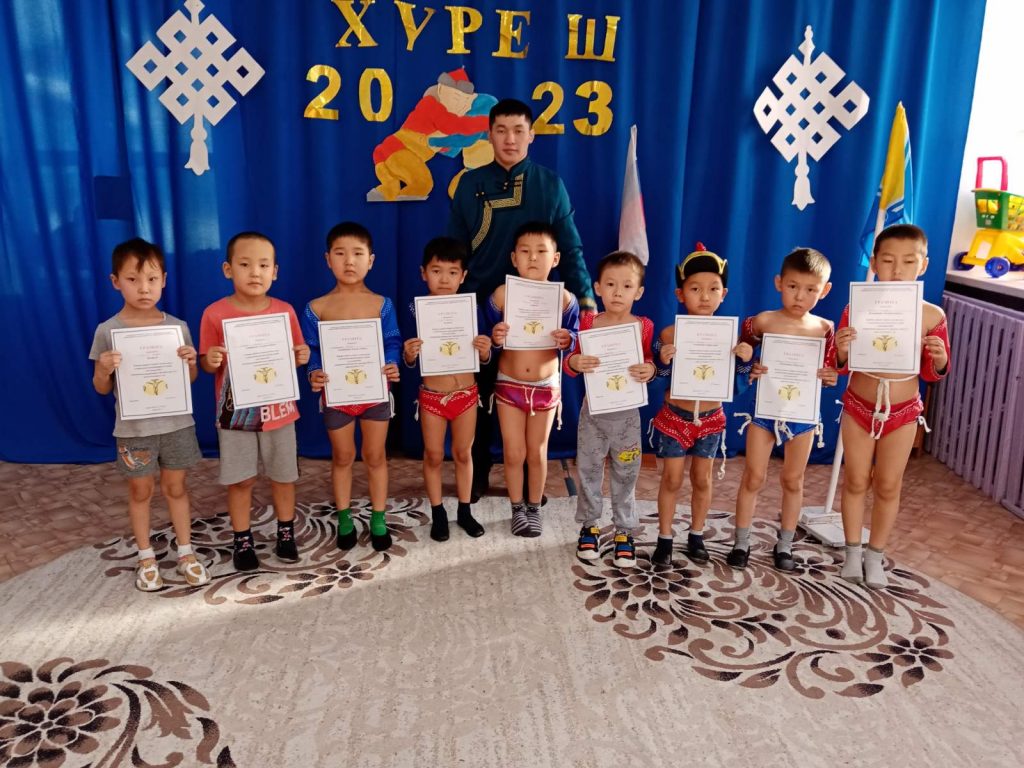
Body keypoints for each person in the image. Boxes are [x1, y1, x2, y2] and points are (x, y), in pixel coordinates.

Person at [448, 97, 596, 501]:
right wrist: (448, 303)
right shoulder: (469, 184)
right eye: (501, 130)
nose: (510, 139)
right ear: (489, 135)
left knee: (531, 398)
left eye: (518, 131)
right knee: (478, 394)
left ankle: (531, 482)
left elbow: (571, 248)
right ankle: (477, 472)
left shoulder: (550, 184)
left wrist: (585, 300)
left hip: (538, 313)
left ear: (531, 135)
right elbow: (456, 248)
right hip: (481, 305)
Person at [90, 238, 210, 591]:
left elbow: (189, 380)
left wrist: (191, 363)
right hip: (134, 429)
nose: (144, 288)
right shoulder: (107, 331)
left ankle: (185, 552)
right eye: (133, 279)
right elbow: (100, 387)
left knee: (176, 487)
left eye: (152, 279)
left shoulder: (177, 327)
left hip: (176, 424)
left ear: (164, 280)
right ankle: (146, 557)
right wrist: (103, 369)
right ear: (116, 281)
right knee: (140, 490)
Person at [835, 224, 949, 588]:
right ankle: (852, 551)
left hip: (903, 412)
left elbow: (933, 373)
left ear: (924, 265)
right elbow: (839, 365)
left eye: (908, 261)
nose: (898, 270)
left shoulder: (933, 316)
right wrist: (841, 348)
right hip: (859, 406)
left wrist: (940, 357)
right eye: (887, 260)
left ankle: (875, 555)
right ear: (873, 263)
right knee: (855, 480)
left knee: (887, 485)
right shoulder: (857, 308)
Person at [199, 232, 310, 572]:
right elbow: (206, 363)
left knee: (283, 476)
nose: (255, 272)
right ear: (228, 269)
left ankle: (286, 533)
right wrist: (211, 360)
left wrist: (302, 357)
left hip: (279, 412)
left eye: (263, 265)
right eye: (245, 264)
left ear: (274, 271)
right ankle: (242, 539)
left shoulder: (285, 311)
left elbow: (295, 355)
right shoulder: (214, 313)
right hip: (235, 416)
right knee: (240, 479)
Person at [729, 248, 838, 571]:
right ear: (779, 283)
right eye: (793, 286)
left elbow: (830, 371)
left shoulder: (825, 329)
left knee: (793, 479)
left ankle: (786, 544)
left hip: (802, 415)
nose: (800, 296)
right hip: (764, 410)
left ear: (824, 290)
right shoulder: (762, 322)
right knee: (754, 475)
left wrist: (830, 376)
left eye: (810, 289)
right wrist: (750, 364)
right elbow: (741, 356)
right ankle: (741, 541)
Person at [650, 245, 753, 567]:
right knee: (671, 479)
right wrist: (663, 361)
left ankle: (696, 535)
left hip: (710, 419)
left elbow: (738, 382)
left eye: (713, 289)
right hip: (674, 416)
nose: (705, 296)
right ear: (680, 294)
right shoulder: (669, 333)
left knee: (703, 479)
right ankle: (665, 538)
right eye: (695, 289)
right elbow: (658, 379)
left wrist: (745, 361)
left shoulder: (730, 337)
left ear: (724, 294)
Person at [302, 222, 402, 552]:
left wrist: (392, 363)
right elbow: (312, 351)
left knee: (375, 455)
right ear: (327, 259)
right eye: (340, 253)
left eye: (357, 254)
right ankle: (345, 518)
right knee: (343, 456)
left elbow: (392, 342)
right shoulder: (316, 308)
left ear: (370, 260)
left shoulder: (382, 304)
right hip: (337, 396)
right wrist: (314, 372)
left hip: (375, 393)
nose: (349, 261)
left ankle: (378, 519)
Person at [564, 251, 656, 567]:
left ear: (638, 292)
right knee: (589, 470)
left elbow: (649, 361)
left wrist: (650, 370)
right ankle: (589, 525)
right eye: (611, 284)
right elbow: (571, 360)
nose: (618, 292)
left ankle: (624, 531)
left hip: (627, 416)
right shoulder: (588, 322)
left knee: (627, 472)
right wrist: (575, 361)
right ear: (598, 287)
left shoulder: (643, 326)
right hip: (593, 413)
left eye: (627, 286)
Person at [487, 222, 579, 536]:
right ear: (514, 258)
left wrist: (568, 339)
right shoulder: (501, 295)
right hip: (509, 384)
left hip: (545, 386)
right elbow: (485, 336)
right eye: (525, 251)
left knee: (538, 452)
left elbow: (575, 337)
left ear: (555, 258)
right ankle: (517, 508)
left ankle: (534, 507)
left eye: (541, 251)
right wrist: (495, 335)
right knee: (513, 452)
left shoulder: (565, 299)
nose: (533, 258)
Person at [403, 236, 491, 541]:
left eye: (452, 272)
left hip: (466, 394)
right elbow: (408, 356)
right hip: (432, 397)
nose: (444, 279)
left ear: (463, 276)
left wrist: (484, 350)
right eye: (436, 271)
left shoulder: (472, 308)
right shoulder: (415, 310)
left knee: (464, 453)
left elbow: (485, 353)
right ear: (423, 273)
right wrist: (409, 355)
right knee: (433, 455)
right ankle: (438, 512)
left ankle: (464, 511)